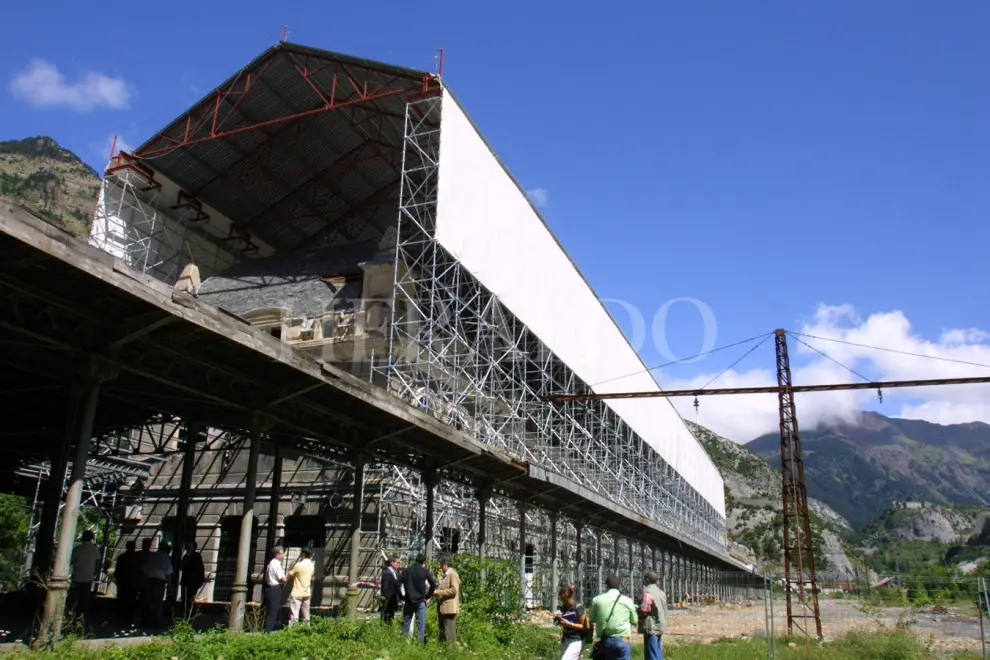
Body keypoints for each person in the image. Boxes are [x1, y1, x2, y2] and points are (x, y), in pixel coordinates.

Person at [588, 574, 638, 660]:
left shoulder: (597, 600)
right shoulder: (628, 601)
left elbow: (591, 619)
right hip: (623, 640)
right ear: (620, 586)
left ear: (606, 586)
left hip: (606, 640)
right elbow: (634, 621)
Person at [400, 553, 436, 644]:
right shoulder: (424, 571)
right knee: (421, 624)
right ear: (423, 562)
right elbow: (433, 584)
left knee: (406, 622)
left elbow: (397, 583)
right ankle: (421, 644)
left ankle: (403, 643)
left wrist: (401, 596)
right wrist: (428, 596)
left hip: (408, 600)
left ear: (415, 560)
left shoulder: (407, 570)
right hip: (420, 600)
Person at [68, 530, 102, 625]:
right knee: (84, 599)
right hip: (88, 577)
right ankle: (81, 618)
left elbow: (70, 561)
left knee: (74, 598)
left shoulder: (78, 549)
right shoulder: (95, 549)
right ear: (92, 538)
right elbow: (98, 563)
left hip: (77, 577)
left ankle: (71, 616)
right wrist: (96, 573)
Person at [142, 541, 174, 628]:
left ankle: (145, 621)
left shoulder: (152, 556)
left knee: (148, 601)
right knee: (157, 602)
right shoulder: (166, 558)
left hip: (149, 580)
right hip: (160, 582)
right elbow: (168, 574)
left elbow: (144, 569)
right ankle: (154, 622)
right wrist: (170, 587)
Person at [553, 584, 589, 660]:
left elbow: (583, 626)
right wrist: (558, 619)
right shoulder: (564, 607)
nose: (564, 601)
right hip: (566, 639)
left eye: (565, 599)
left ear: (570, 596)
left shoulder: (579, 607)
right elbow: (563, 622)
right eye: (562, 599)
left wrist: (569, 624)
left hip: (577, 640)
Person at [639, 571, 668, 660]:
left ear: (647, 579)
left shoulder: (647, 592)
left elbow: (644, 610)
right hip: (660, 625)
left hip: (651, 627)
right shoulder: (661, 592)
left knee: (651, 654)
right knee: (658, 651)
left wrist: (637, 609)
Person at [432, 556, 461, 642]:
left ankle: (451, 652)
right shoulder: (446, 575)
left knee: (450, 633)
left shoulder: (453, 574)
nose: (440, 567)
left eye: (441, 565)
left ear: (445, 564)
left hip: (449, 608)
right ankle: (444, 650)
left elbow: (454, 590)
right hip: (444, 607)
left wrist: (439, 592)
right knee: (443, 631)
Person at [114, 540, 141, 625]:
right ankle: (129, 619)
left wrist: (118, 580)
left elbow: (117, 570)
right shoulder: (137, 558)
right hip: (133, 583)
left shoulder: (122, 557)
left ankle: (121, 618)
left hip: (123, 582)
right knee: (132, 601)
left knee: (122, 600)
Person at [287, 548, 315, 626]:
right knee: (306, 613)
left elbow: (290, 575)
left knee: (294, 613)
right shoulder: (311, 565)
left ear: (303, 554)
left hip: (297, 591)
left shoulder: (299, 565)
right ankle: (306, 629)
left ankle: (293, 630)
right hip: (307, 591)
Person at [179, 540, 206, 617]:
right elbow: (181, 566)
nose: (187, 547)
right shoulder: (185, 555)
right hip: (185, 581)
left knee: (190, 597)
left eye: (189, 545)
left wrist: (201, 580)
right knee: (184, 598)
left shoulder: (196, 556)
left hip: (193, 581)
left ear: (193, 547)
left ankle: (191, 612)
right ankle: (185, 612)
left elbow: (200, 569)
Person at [264, 547, 288, 632]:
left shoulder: (271, 563)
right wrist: (289, 578)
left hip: (270, 588)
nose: (283, 555)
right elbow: (283, 579)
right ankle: (268, 631)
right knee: (273, 611)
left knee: (271, 611)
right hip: (275, 589)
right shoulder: (276, 564)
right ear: (277, 554)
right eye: (282, 553)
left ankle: (268, 629)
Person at [380, 555, 401, 625]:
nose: (399, 564)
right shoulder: (387, 573)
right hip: (388, 601)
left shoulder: (395, 572)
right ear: (392, 563)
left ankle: (389, 629)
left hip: (393, 600)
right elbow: (385, 589)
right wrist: (386, 600)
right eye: (397, 562)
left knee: (391, 618)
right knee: (386, 619)